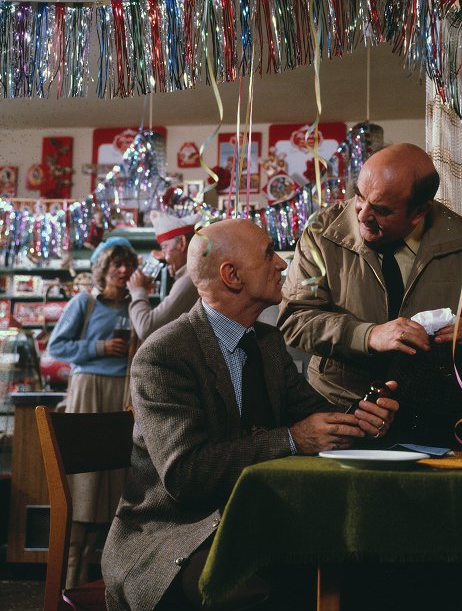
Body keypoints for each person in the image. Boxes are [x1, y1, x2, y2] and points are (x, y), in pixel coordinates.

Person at [101, 219, 399, 611]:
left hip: (251, 519)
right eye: (268, 253)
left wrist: (364, 416)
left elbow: (316, 416)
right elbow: (187, 476)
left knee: (361, 562)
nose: (281, 264)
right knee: (259, 585)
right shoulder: (165, 354)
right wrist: (292, 439)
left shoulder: (267, 342)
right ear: (232, 275)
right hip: (174, 536)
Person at [277, 142, 462, 443]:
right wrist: (369, 335)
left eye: (381, 210)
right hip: (342, 410)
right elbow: (294, 319)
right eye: (359, 196)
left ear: (419, 212)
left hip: (432, 415)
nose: (362, 214)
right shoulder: (321, 234)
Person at [47, 237, 138, 587]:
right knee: (84, 478)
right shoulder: (83, 303)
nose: (123, 269)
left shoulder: (135, 306)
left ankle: (99, 575)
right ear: (103, 267)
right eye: (116, 263)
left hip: (122, 392)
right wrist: (99, 346)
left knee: (115, 479)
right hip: (88, 390)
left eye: (128, 264)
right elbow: (57, 347)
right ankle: (70, 576)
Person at [127, 211, 201, 341]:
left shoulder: (189, 279)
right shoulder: (190, 275)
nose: (164, 257)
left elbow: (147, 329)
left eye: (164, 247)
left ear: (182, 242)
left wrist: (137, 291)